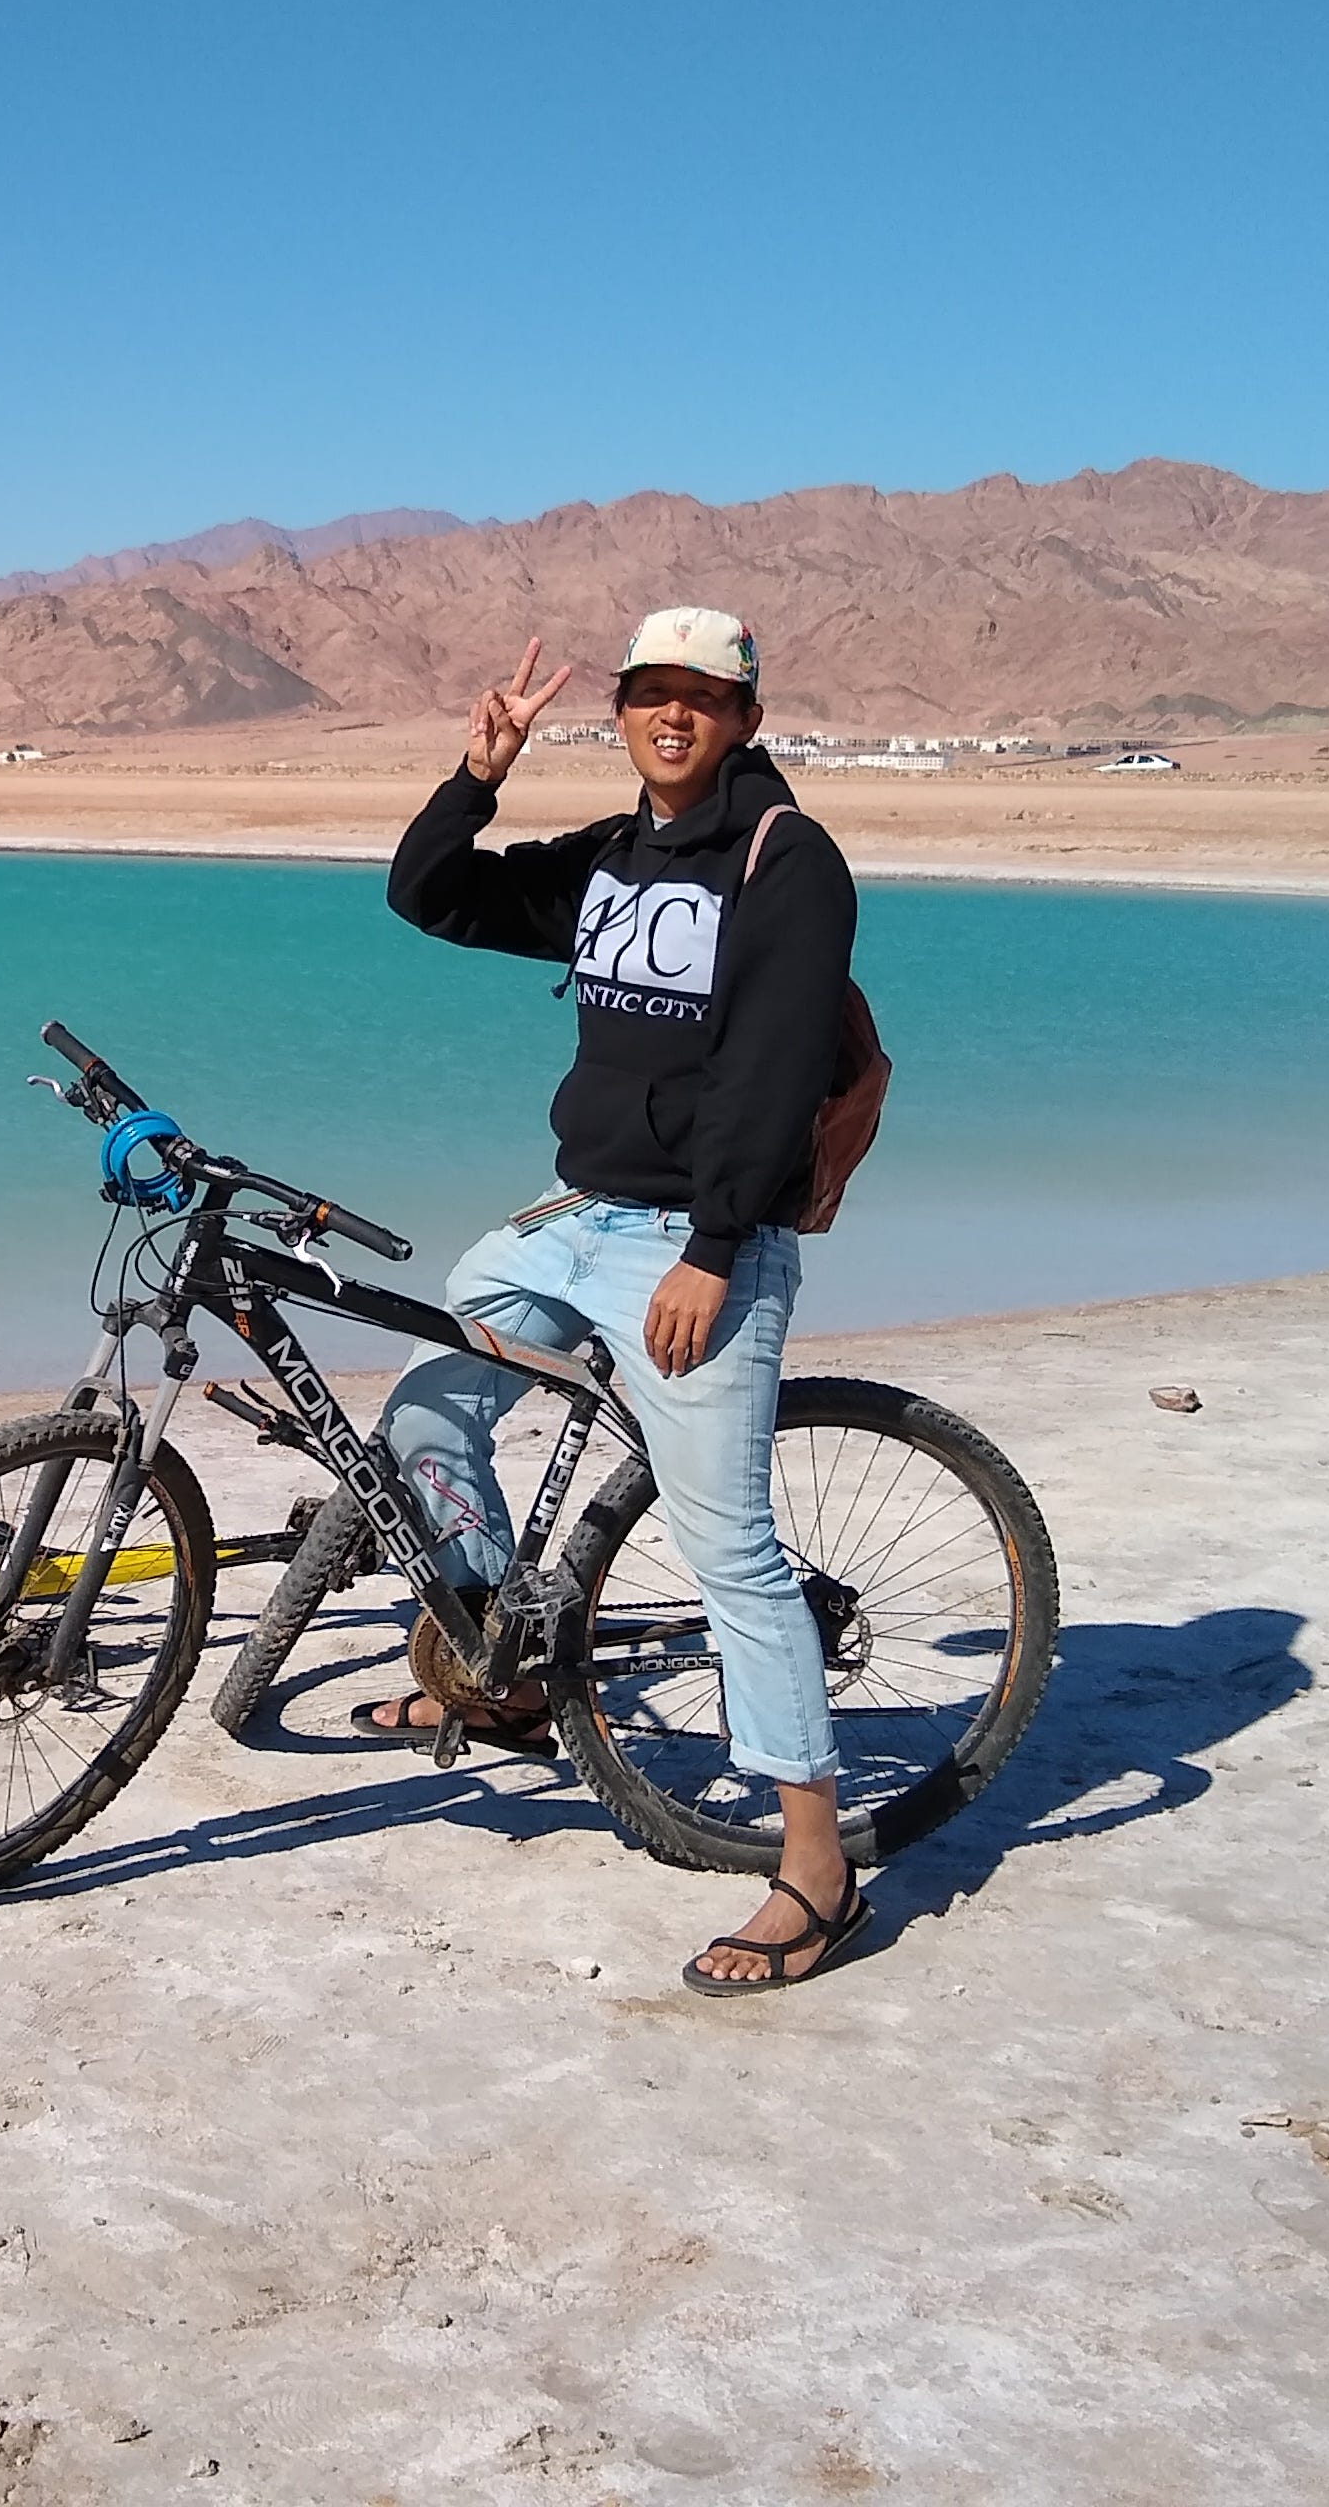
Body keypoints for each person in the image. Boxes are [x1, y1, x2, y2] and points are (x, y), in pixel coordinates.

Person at [374, 607, 867, 1997]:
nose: (673, 715)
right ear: (624, 709)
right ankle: (504, 1673)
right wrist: (476, 779)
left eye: (702, 696)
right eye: (651, 692)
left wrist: (715, 1248)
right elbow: (431, 899)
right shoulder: (613, 856)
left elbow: (775, 1070)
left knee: (730, 1552)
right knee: (425, 1407)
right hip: (571, 1218)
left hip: (695, 1245)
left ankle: (817, 1868)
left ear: (745, 718)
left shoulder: (787, 862)